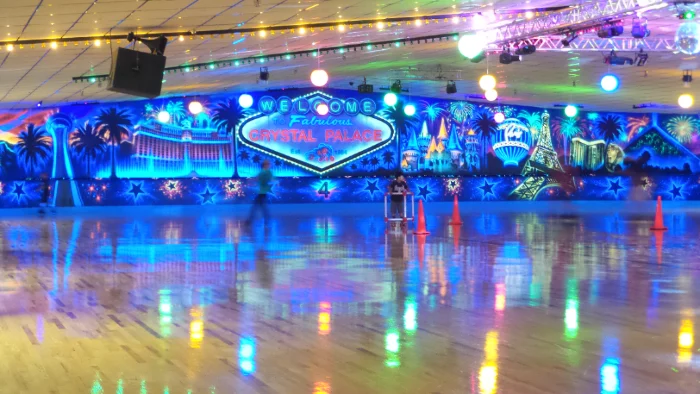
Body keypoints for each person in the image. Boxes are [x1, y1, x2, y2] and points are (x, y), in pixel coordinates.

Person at [245, 160, 274, 226]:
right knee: (259, 207)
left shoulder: (267, 172)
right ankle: (251, 220)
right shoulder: (263, 172)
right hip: (261, 193)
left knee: (259, 207)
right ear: (264, 165)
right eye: (267, 164)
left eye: (268, 164)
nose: (269, 165)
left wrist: (251, 181)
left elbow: (271, 179)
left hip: (262, 193)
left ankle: (250, 221)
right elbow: (257, 178)